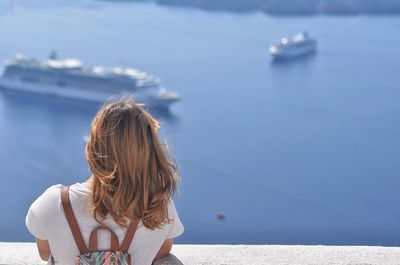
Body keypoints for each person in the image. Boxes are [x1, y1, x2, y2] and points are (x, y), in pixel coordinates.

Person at [25, 98, 184, 264]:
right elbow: (162, 251)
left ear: (93, 148)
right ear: (150, 152)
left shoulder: (52, 203)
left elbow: (45, 254)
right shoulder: (159, 205)